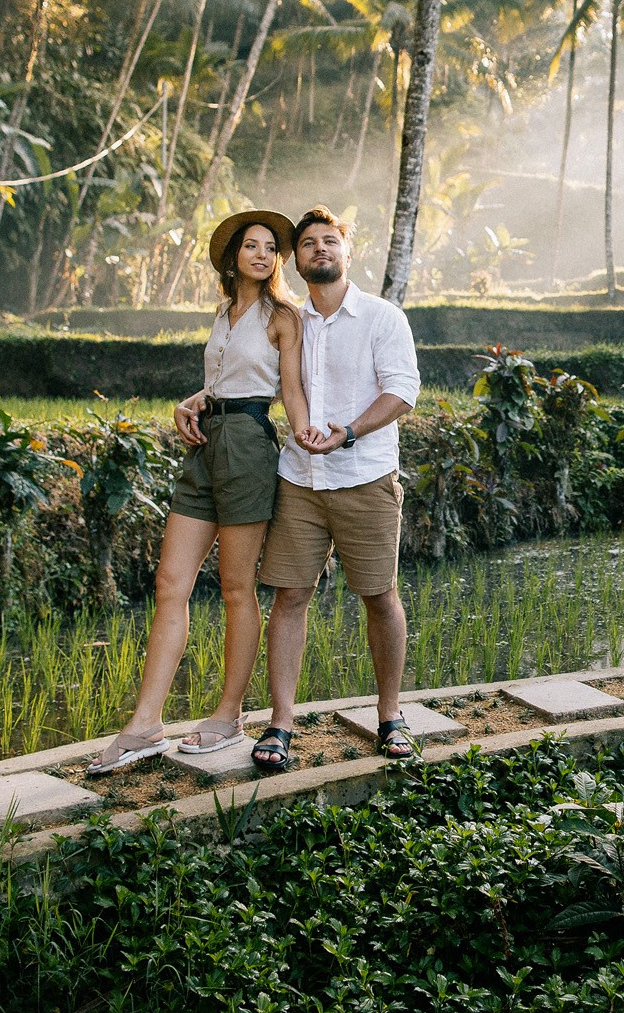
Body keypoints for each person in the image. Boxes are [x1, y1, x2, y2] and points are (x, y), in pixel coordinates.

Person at [86, 211, 310, 775]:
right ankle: (144, 725)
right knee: (170, 584)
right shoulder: (223, 312)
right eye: (252, 246)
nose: (262, 254)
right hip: (205, 442)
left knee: (236, 588)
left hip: (249, 445)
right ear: (233, 256)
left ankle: (228, 715)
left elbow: (286, 390)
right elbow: (223, 379)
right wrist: (193, 400)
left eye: (270, 249)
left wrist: (313, 441)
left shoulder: (282, 316)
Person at [249, 206, 421, 773]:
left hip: (365, 477)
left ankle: (390, 715)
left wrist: (347, 432)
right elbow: (249, 375)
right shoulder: (289, 320)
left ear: (347, 253)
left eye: (330, 241)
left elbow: (400, 393)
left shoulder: (381, 317)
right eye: (307, 244)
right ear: (295, 261)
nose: (319, 249)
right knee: (290, 596)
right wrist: (199, 399)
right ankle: (280, 724)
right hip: (299, 479)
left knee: (379, 595)